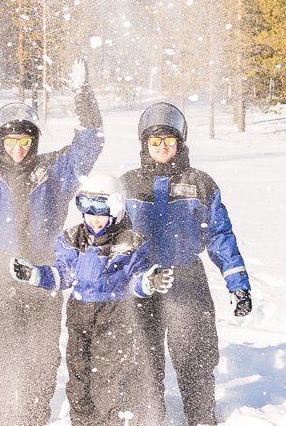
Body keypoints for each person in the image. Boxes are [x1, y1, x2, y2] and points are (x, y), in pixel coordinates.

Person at [0, 54, 104, 426]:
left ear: (35, 139)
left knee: (42, 354)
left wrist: (82, 95)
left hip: (44, 267)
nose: (19, 149)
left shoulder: (53, 170)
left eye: (25, 140)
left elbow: (90, 144)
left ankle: (33, 417)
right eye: (11, 141)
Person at [120, 102, 253, 426]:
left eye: (169, 141)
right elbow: (106, 234)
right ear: (144, 145)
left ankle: (201, 416)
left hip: (186, 276)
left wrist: (238, 284)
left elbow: (220, 236)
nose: (162, 147)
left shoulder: (200, 183)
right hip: (140, 281)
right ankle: (149, 417)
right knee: (141, 357)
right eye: (155, 142)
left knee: (195, 354)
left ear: (180, 142)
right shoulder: (127, 183)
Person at [9, 173, 175, 426]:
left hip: (115, 315)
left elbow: (135, 280)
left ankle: (112, 421)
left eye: (100, 210)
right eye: (86, 209)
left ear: (117, 209)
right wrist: (35, 275)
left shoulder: (129, 243)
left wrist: (148, 282)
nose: (93, 218)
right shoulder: (72, 239)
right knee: (80, 377)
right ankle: (83, 422)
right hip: (79, 315)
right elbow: (62, 274)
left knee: (110, 378)